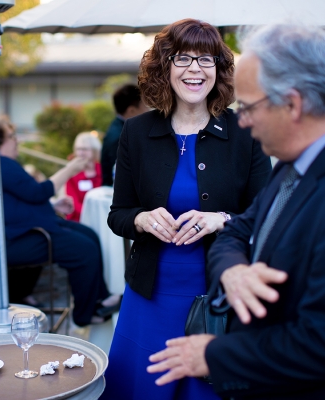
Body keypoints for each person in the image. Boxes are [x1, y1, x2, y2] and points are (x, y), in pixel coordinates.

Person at [147, 23, 325, 400]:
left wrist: (211, 354)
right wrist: (234, 271)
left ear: (292, 104)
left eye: (248, 107)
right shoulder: (291, 169)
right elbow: (237, 231)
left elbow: (317, 343)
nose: (242, 119)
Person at [101, 19, 272, 400]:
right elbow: (118, 214)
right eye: (183, 58)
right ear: (165, 66)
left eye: (206, 59)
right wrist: (142, 219)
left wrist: (222, 219)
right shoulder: (136, 132)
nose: (195, 69)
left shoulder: (247, 132)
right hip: (148, 297)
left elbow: (267, 216)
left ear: (219, 69)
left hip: (218, 298)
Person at [0, 116, 120, 326]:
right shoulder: (0, 165)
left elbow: (12, 202)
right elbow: (37, 192)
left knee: (88, 234)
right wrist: (71, 169)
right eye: (12, 136)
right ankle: (85, 314)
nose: (17, 141)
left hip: (16, 231)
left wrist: (52, 207)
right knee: (83, 250)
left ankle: (99, 298)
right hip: (11, 241)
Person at [101, 83, 148, 186]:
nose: (148, 110)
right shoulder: (121, 136)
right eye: (145, 106)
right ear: (131, 111)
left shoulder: (119, 128)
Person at [65, 132, 102, 222]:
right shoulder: (72, 172)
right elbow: (73, 202)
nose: (81, 153)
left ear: (94, 150)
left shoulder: (102, 170)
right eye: (78, 149)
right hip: (79, 219)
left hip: (102, 216)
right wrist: (90, 215)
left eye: (85, 149)